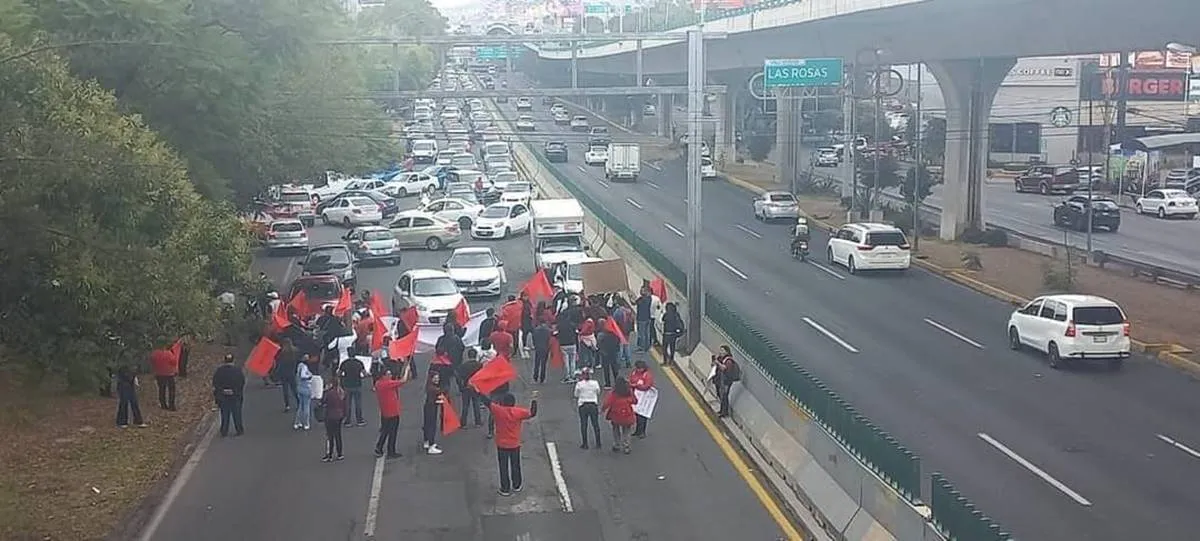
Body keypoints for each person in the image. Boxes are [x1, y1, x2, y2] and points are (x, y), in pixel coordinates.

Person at [479, 390, 539, 496]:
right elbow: (532, 413)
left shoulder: (498, 411)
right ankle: (517, 485)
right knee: (515, 465)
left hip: (501, 444)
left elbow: (486, 401)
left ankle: (505, 488)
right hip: (515, 443)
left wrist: (478, 390)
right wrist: (534, 399)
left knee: (503, 466)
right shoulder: (518, 412)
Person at [374, 363, 410, 459]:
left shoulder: (378, 383)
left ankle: (379, 447)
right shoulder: (387, 384)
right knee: (392, 432)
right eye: (388, 374)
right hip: (393, 412)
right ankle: (391, 451)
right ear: (384, 375)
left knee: (385, 431)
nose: (390, 376)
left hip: (384, 411)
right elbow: (403, 381)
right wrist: (406, 370)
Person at [211, 353, 245, 437]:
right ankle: (239, 429)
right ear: (233, 360)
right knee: (237, 413)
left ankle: (224, 430)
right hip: (235, 395)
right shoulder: (237, 370)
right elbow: (241, 382)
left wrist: (221, 391)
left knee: (224, 413)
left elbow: (215, 382)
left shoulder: (219, 371)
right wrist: (236, 391)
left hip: (223, 396)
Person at [602, 377, 638, 454]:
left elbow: (607, 403)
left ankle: (617, 444)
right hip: (627, 414)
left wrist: (602, 409)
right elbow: (635, 401)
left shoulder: (613, 393)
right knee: (627, 431)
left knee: (615, 429)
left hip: (616, 414)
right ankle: (626, 446)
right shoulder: (629, 391)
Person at [574, 367, 602, 449]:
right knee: (595, 424)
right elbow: (598, 392)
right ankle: (598, 442)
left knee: (584, 424)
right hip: (593, 404)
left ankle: (585, 443)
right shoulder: (595, 383)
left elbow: (576, 394)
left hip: (583, 405)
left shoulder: (579, 384)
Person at [555, 297, 581, 383]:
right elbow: (576, 334)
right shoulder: (572, 325)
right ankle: (573, 376)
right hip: (572, 344)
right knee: (572, 361)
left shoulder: (560, 326)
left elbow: (556, 334)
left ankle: (567, 376)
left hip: (563, 344)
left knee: (566, 361)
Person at [337, 354, 368, 427]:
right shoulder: (359, 362)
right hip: (357, 384)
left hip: (347, 385)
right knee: (358, 403)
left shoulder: (344, 363)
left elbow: (339, 373)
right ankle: (359, 420)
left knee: (348, 403)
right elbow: (365, 373)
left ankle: (348, 421)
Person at [321, 377, 347, 461]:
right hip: (339, 415)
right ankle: (340, 454)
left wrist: (325, 390)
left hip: (330, 416)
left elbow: (323, 402)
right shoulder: (341, 392)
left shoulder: (329, 393)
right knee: (338, 435)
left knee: (330, 436)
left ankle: (329, 454)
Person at [458, 348, 485, 428]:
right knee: (476, 404)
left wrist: (461, 386)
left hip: (466, 387)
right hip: (476, 387)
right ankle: (478, 422)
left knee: (465, 405)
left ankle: (463, 423)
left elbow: (458, 376)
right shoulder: (479, 365)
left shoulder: (463, 366)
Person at [422, 371, 447, 455]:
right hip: (431, 408)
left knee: (427, 424)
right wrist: (439, 401)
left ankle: (426, 441)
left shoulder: (429, 387)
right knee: (431, 426)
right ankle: (431, 446)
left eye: (438, 378)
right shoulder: (433, 389)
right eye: (435, 378)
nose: (437, 380)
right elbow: (434, 398)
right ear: (431, 379)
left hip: (427, 408)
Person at [629, 360, 655, 438]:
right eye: (637, 368)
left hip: (644, 397)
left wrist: (636, 386)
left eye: (640, 368)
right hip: (635, 396)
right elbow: (630, 380)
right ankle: (637, 430)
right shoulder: (634, 373)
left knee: (642, 415)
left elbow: (647, 386)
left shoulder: (647, 375)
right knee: (636, 414)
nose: (638, 370)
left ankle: (642, 431)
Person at [712, 345, 739, 418]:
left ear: (727, 352)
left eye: (723, 350)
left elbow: (724, 368)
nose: (721, 352)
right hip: (720, 380)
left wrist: (717, 362)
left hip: (726, 381)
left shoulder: (728, 360)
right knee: (721, 395)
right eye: (720, 350)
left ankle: (724, 412)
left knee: (724, 396)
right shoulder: (721, 358)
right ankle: (721, 410)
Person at [149, 345, 179, 411]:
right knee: (171, 389)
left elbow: (152, 362)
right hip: (169, 374)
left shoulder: (154, 354)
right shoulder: (168, 354)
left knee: (161, 389)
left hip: (159, 374)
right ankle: (171, 405)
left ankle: (163, 405)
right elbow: (174, 362)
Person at [596, 316, 621, 388]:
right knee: (614, 367)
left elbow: (599, 345)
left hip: (605, 353)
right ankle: (617, 382)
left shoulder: (601, 335)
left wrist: (601, 350)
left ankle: (608, 383)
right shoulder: (614, 333)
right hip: (613, 352)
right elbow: (618, 341)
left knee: (606, 369)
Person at [276, 342, 300, 412]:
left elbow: (279, 363)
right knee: (294, 389)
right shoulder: (295, 352)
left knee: (285, 390)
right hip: (291, 373)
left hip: (284, 373)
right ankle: (299, 402)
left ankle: (287, 405)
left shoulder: (281, 353)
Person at [612, 297, 634, 369]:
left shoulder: (617, 311)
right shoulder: (628, 311)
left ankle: (618, 363)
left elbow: (614, 321)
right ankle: (628, 362)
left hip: (620, 330)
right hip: (627, 331)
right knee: (626, 346)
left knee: (620, 347)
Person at [294, 358, 315, 431]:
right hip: (306, 389)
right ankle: (306, 424)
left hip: (299, 388)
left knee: (300, 406)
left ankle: (297, 422)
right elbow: (303, 376)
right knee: (306, 406)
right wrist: (309, 376)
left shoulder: (299, 366)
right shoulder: (305, 367)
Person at [531, 317, 552, 384]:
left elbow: (533, 338)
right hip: (545, 348)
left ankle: (535, 377)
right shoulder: (548, 330)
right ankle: (542, 378)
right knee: (544, 364)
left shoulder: (536, 330)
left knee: (537, 363)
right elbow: (549, 339)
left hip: (538, 347)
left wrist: (535, 345)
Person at [635, 287, 653, 352]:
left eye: (642, 291)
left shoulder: (643, 299)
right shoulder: (648, 298)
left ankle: (642, 347)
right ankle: (646, 347)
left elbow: (636, 303)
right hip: (647, 317)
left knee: (642, 333)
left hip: (641, 318)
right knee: (646, 333)